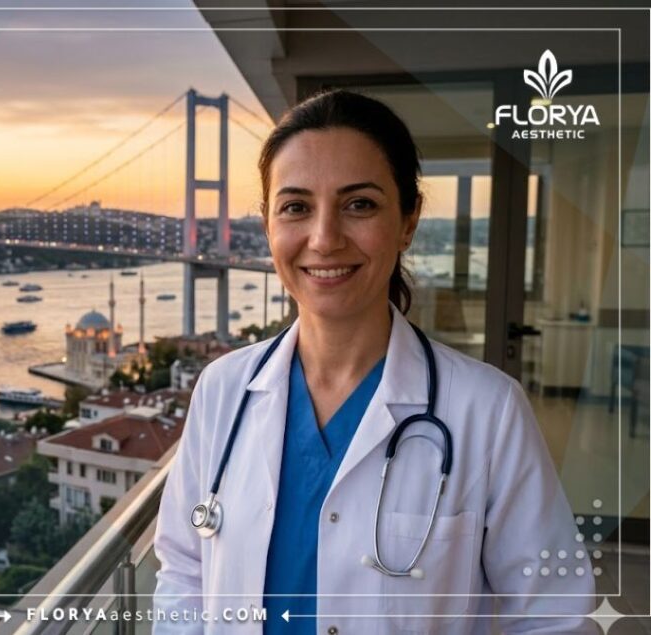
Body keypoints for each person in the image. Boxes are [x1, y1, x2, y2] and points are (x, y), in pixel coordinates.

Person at [152, 89, 596, 634]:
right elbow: (183, 574)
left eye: (359, 204)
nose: (324, 238)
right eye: (296, 207)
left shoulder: (489, 410)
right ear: (267, 224)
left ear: (408, 221)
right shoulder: (222, 390)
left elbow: (553, 615)